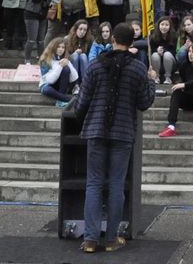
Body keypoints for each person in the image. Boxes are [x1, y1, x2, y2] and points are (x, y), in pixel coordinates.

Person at [69, 22, 156, 254]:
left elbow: (82, 103)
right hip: (123, 131)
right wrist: (151, 79)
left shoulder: (96, 65)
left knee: (94, 183)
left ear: (114, 39)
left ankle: (89, 239)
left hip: (96, 130)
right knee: (116, 184)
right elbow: (144, 103)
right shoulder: (138, 68)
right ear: (131, 43)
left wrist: (80, 117)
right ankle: (111, 239)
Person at [158, 41, 193, 136]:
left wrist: (185, 85)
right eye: (189, 51)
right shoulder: (184, 65)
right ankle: (171, 126)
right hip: (189, 99)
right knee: (177, 92)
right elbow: (184, 80)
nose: (190, 54)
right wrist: (183, 86)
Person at [38, 37, 78, 107]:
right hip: (47, 85)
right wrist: (60, 66)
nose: (61, 49)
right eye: (58, 47)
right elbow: (50, 81)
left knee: (66, 69)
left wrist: (68, 63)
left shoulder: (65, 58)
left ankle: (61, 101)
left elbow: (74, 78)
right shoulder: (45, 60)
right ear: (53, 47)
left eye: (63, 47)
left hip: (60, 86)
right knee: (47, 90)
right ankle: (70, 99)